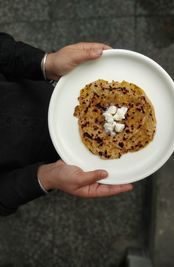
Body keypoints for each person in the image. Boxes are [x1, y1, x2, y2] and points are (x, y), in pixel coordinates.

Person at [0, 33, 133, 216]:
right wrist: (46, 178)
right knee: (78, 159)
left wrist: (46, 63)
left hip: (39, 92)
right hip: (31, 159)